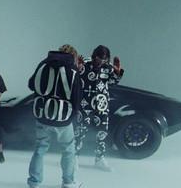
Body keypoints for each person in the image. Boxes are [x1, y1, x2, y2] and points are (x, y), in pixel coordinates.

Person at [27, 44, 83, 188]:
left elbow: (31, 85)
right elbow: (77, 97)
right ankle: (68, 182)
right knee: (68, 149)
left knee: (40, 149)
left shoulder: (44, 64)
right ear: (73, 56)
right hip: (63, 118)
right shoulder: (73, 70)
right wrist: (71, 116)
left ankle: (34, 183)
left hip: (42, 115)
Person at [74, 45, 124, 172]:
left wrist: (117, 72)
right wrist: (77, 68)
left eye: (103, 61)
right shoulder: (85, 65)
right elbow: (74, 80)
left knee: (102, 132)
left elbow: (114, 81)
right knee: (80, 132)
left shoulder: (107, 68)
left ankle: (99, 159)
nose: (100, 63)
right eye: (98, 59)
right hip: (85, 104)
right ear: (93, 56)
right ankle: (74, 158)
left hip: (102, 105)